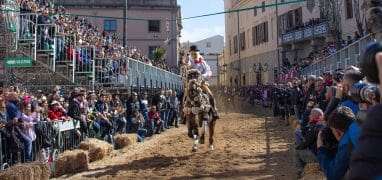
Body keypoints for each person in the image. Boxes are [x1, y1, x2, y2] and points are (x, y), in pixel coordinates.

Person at [316, 106, 360, 180]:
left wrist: (320, 147)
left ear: (337, 131)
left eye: (332, 130)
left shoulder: (347, 144)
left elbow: (332, 174)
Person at [187, 45, 219, 120]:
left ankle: (214, 110)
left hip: (201, 83)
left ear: (197, 53)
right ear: (190, 54)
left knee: (210, 95)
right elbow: (185, 69)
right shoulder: (188, 62)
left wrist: (203, 76)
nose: (194, 55)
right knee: (185, 95)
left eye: (195, 53)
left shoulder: (202, 62)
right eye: (192, 53)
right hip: (190, 83)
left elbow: (209, 72)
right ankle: (184, 114)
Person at [294, 108, 325, 178]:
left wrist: (298, 147)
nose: (309, 116)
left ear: (316, 116)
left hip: (317, 156)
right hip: (324, 155)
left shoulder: (314, 126)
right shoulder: (323, 123)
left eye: (311, 114)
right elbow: (304, 131)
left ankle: (300, 171)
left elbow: (306, 143)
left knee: (296, 152)